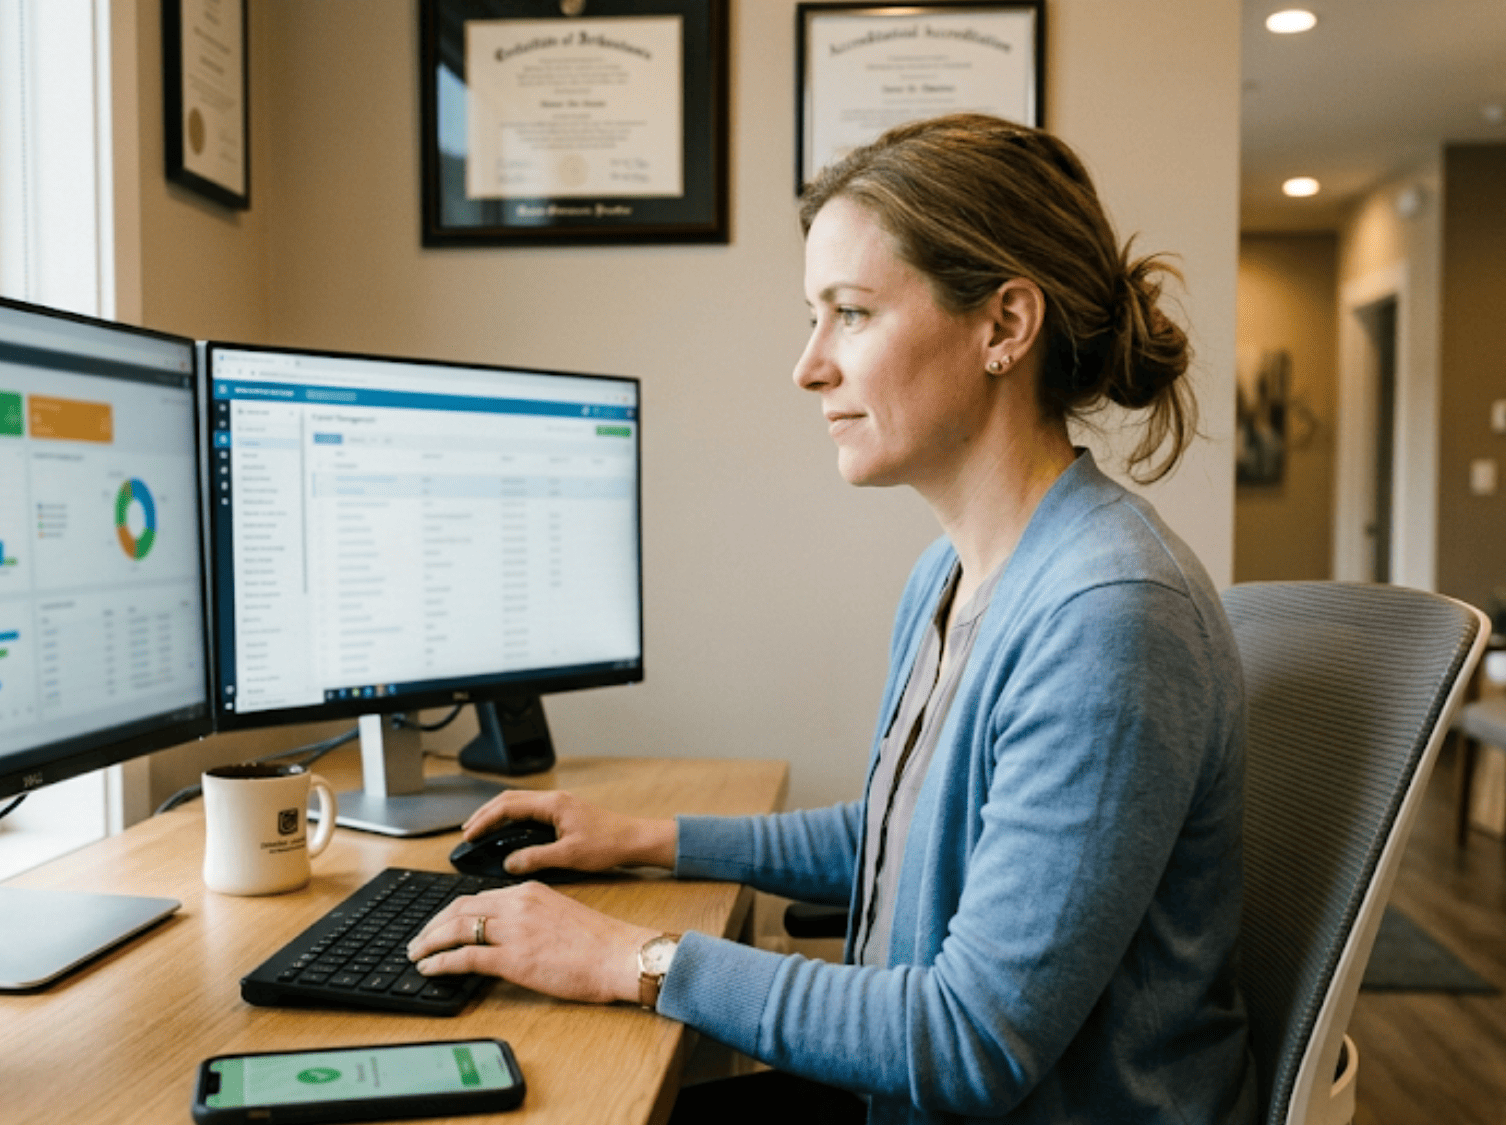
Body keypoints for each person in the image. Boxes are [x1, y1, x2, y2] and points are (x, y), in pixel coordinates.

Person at [407, 113, 1255, 1125]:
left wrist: (624, 957)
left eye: (849, 313)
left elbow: (969, 1040)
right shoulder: (950, 574)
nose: (808, 366)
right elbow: (902, 836)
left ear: (1002, 327)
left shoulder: (1105, 619)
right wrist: (638, 837)